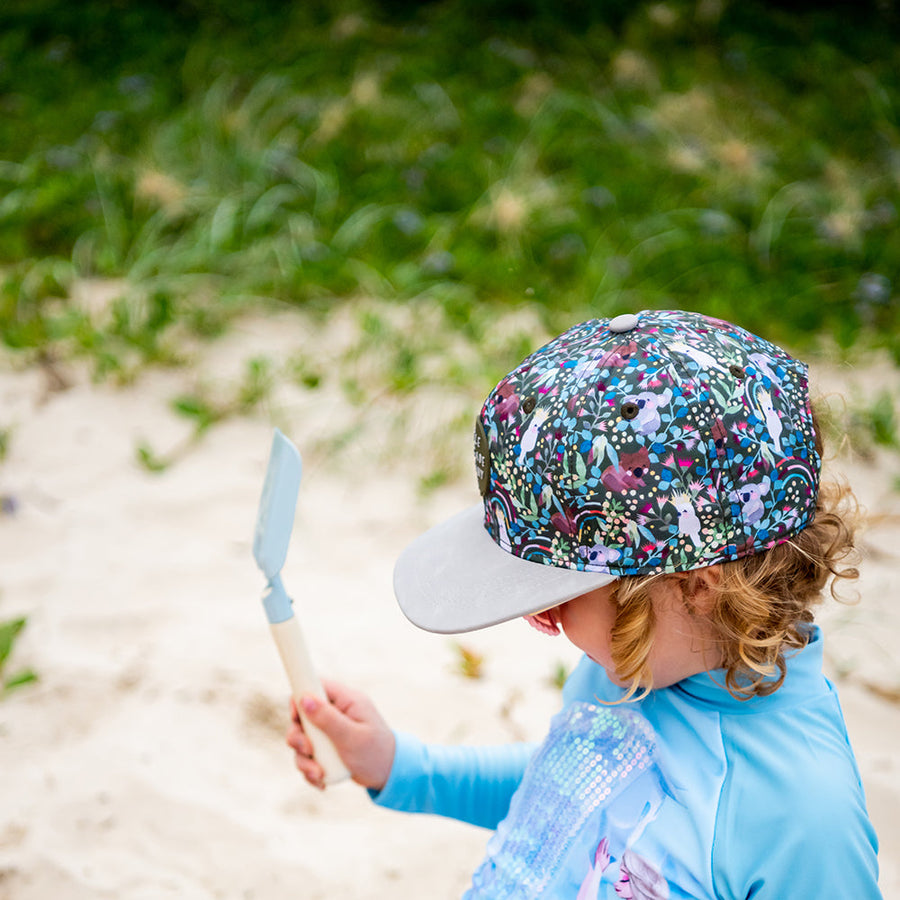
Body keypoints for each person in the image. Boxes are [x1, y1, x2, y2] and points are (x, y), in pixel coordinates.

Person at [286, 309, 882, 898]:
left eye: (559, 595)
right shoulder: (636, 657)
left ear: (698, 584)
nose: (538, 617)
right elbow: (567, 795)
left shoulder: (800, 818)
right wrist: (403, 767)